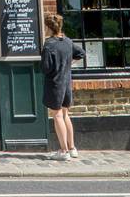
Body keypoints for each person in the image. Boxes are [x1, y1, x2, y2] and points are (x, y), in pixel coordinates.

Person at [41, 13, 82, 160]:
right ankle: (72, 148)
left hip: (54, 84)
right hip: (66, 83)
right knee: (65, 115)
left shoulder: (49, 44)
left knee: (57, 115)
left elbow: (46, 68)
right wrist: (69, 63)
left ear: (48, 27)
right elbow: (81, 53)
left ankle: (63, 151)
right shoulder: (68, 41)